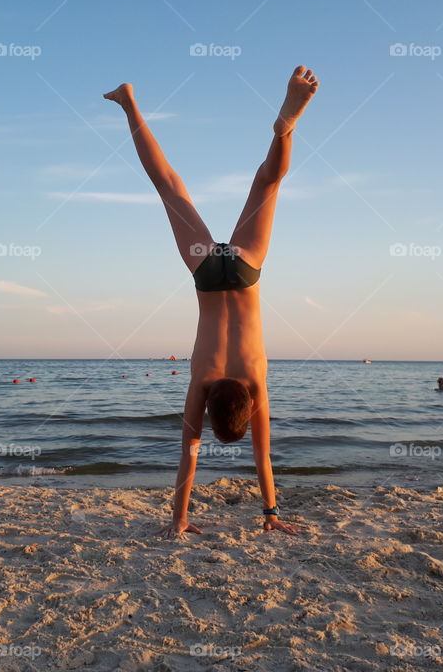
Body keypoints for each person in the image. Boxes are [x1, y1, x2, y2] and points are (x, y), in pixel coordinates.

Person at [104, 66, 319, 538]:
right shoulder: (202, 381)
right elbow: (189, 454)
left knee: (267, 184)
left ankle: (286, 131)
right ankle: (129, 102)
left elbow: (262, 455)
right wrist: (178, 519)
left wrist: (270, 514)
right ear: (212, 409)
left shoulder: (254, 382)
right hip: (206, 270)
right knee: (168, 187)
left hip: (242, 270)